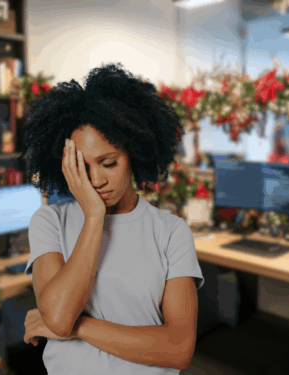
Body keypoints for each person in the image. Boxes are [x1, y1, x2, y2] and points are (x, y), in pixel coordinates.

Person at [18, 62, 204, 374]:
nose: (96, 180)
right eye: (82, 167)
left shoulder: (171, 232)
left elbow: (178, 349)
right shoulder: (49, 222)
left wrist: (81, 328)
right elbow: (61, 317)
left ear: (134, 152)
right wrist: (94, 217)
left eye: (109, 163)